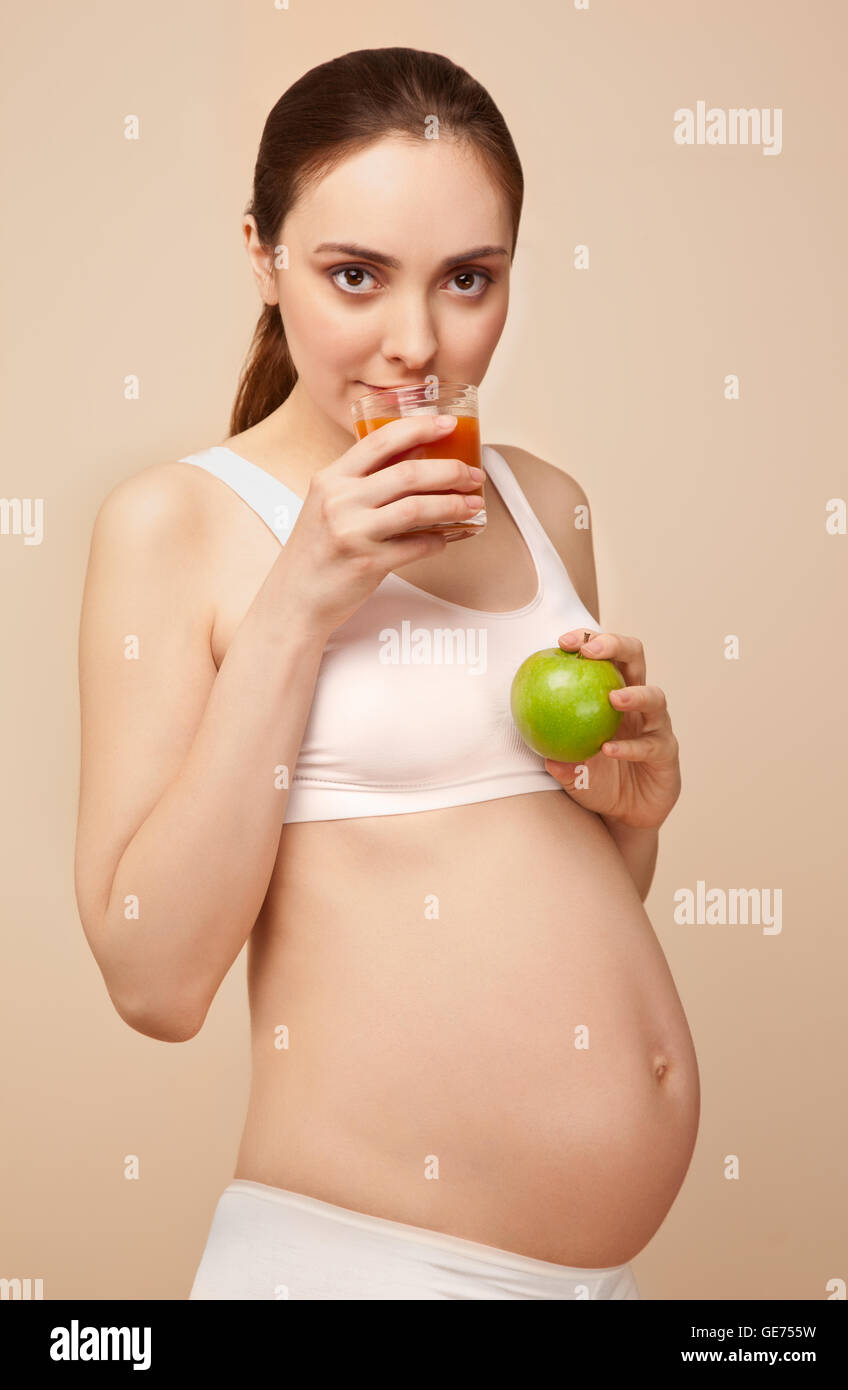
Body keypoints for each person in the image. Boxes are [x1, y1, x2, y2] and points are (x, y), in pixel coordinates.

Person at [74, 47, 699, 1301]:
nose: (415, 343)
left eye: (469, 279)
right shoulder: (179, 525)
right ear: (262, 254)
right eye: (353, 275)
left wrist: (629, 814)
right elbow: (153, 978)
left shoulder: (543, 503)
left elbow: (548, 896)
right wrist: (303, 591)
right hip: (360, 1271)